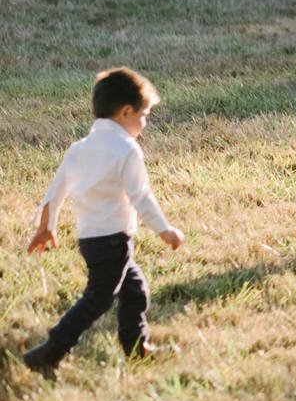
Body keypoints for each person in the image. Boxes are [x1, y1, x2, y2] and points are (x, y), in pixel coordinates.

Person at [23, 68, 185, 379]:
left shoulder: (79, 149)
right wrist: (165, 228)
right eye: (145, 114)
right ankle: (49, 352)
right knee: (96, 300)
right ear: (126, 112)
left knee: (135, 291)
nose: (145, 122)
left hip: (91, 239)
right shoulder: (126, 149)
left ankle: (137, 348)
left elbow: (53, 194)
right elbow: (141, 197)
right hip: (114, 241)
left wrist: (46, 226)